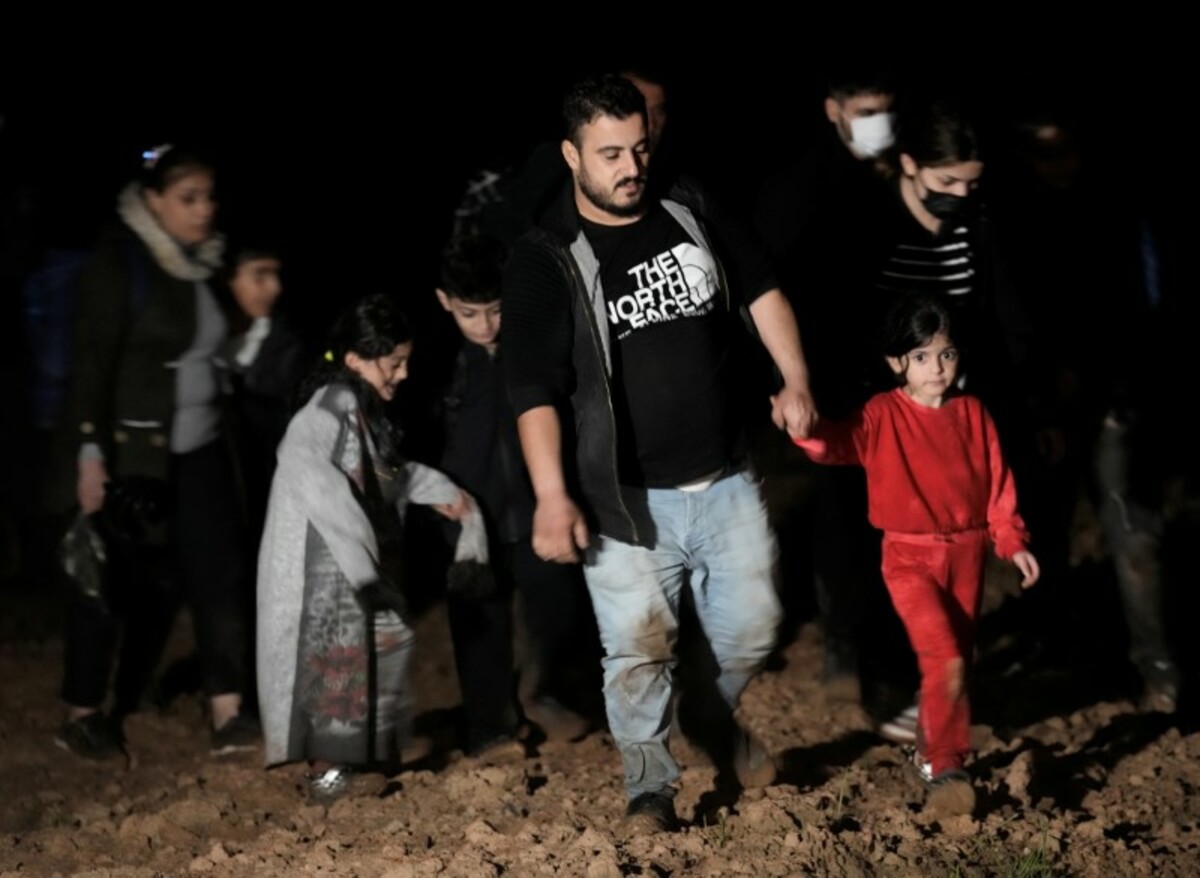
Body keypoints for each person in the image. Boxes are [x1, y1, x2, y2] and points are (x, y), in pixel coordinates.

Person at [503, 74, 817, 833]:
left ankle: (707, 710)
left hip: (727, 475)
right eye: (610, 154)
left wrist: (795, 379)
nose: (631, 167)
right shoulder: (546, 258)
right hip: (626, 500)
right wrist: (552, 493)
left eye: (639, 148)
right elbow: (531, 387)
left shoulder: (688, 203)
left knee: (754, 630)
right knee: (638, 651)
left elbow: (760, 286)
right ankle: (650, 786)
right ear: (571, 156)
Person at [793, 294, 1039, 817]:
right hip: (908, 556)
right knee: (943, 656)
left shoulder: (973, 413)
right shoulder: (883, 413)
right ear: (896, 361)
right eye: (922, 356)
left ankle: (929, 750)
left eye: (946, 354)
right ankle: (946, 763)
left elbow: (998, 488)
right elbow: (839, 443)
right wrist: (804, 430)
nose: (936, 368)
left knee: (956, 661)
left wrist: (1011, 541)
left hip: (968, 554)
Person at [56, 144, 257, 759]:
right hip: (133, 452)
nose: (205, 209)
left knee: (219, 573)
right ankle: (84, 711)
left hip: (202, 446)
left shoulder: (208, 264)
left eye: (209, 197)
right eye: (188, 198)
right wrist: (90, 455)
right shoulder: (121, 265)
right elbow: (92, 365)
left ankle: (227, 711)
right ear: (153, 201)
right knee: (107, 579)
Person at [256, 295, 480, 802]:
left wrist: (442, 493)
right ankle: (328, 775)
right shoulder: (331, 404)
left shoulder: (354, 410)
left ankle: (356, 761)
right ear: (356, 358)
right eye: (394, 362)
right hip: (318, 562)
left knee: (357, 654)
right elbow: (302, 461)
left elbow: (383, 476)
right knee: (331, 657)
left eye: (406, 362)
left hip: (339, 561)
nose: (403, 374)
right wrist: (358, 562)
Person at [435, 235, 591, 754]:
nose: (485, 325)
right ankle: (492, 729)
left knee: (555, 607)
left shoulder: (534, 345)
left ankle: (544, 694)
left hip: (534, 510)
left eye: (496, 309)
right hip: (467, 520)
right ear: (444, 302)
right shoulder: (435, 364)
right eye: (469, 313)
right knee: (479, 624)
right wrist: (430, 491)